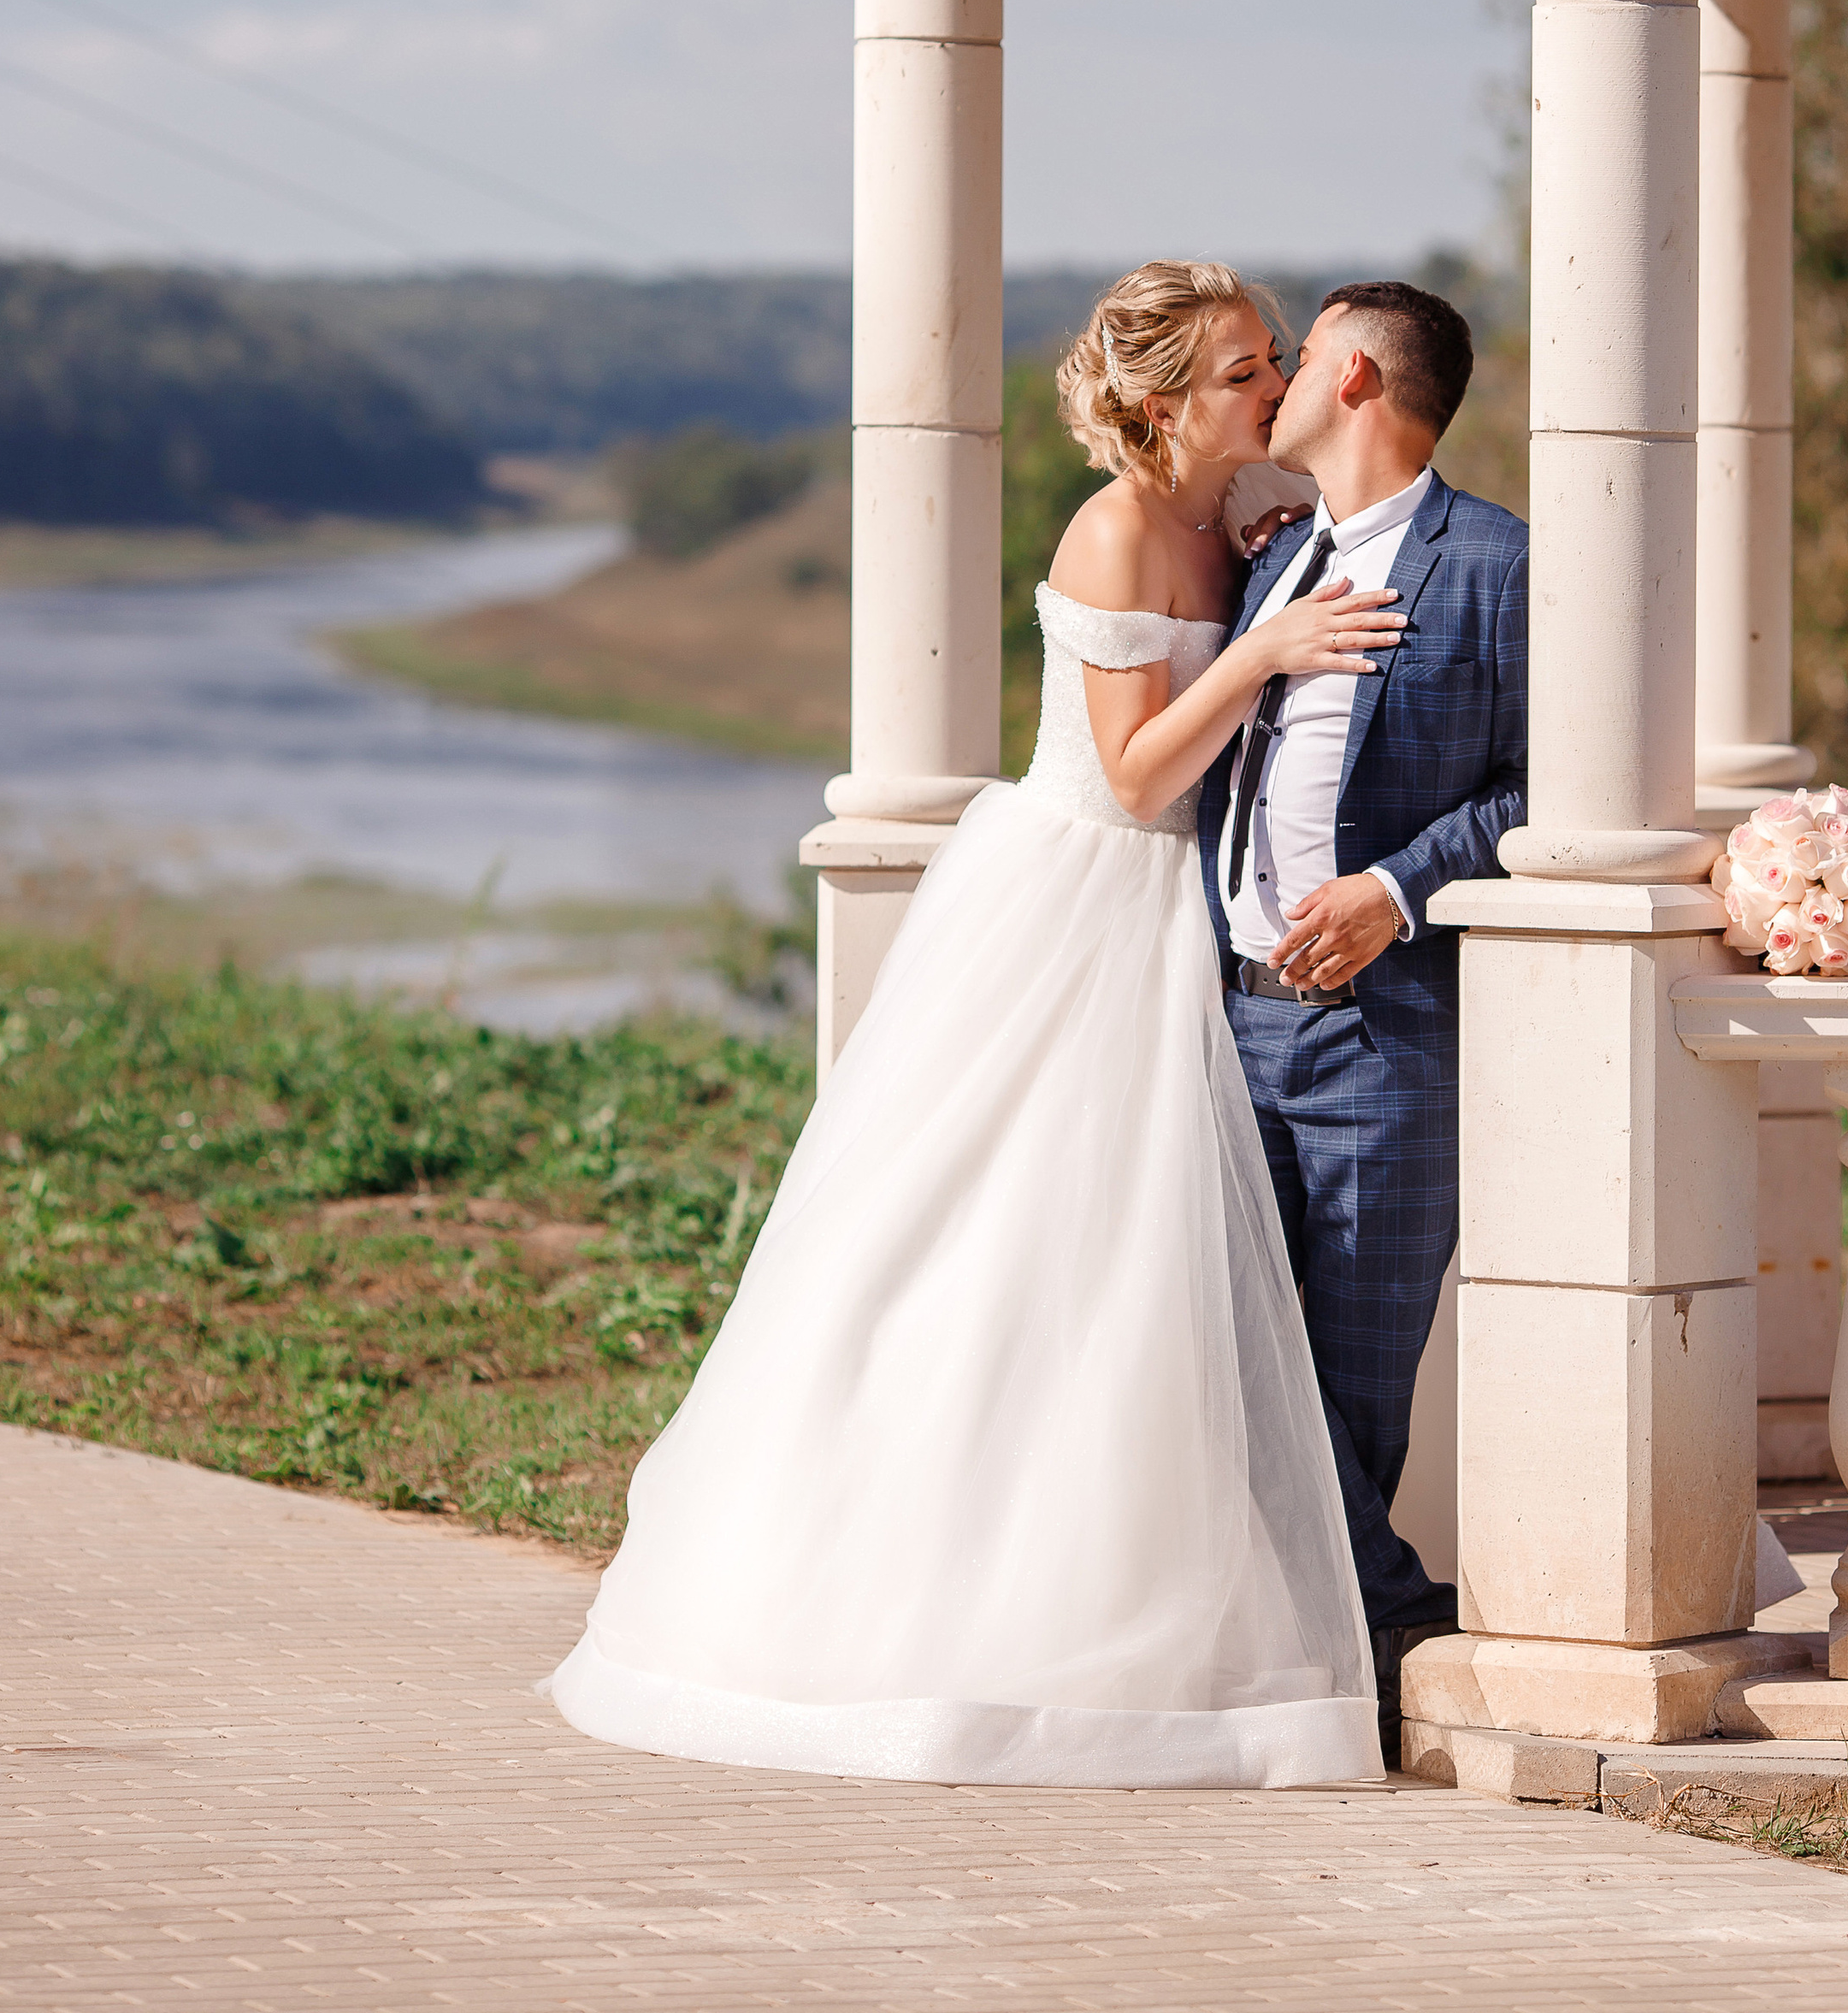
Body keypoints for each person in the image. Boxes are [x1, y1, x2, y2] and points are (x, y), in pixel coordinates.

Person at [550, 261, 1398, 1788]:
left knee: (1137, 1277)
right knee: (999, 1251)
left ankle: (1138, 1592)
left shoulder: (1241, 519)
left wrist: (1267, 576)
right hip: (1080, 899)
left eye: (1271, 362)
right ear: (1157, 403)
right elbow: (1136, 778)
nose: (1271, 391)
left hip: (1173, 919)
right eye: (1240, 374)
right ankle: (921, 1607)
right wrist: (1266, 652)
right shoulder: (1118, 527)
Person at [1197, 281, 1526, 1758]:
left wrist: (1399, 885)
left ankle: (1360, 1645)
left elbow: (1550, 792)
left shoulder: (1501, 566)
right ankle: (1383, 1624)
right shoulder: (1270, 559)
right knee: (1216, 1348)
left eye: (1294, 355)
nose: (1272, 382)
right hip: (1225, 1025)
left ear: (1351, 372)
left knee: (1354, 1379)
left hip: (1388, 1040)